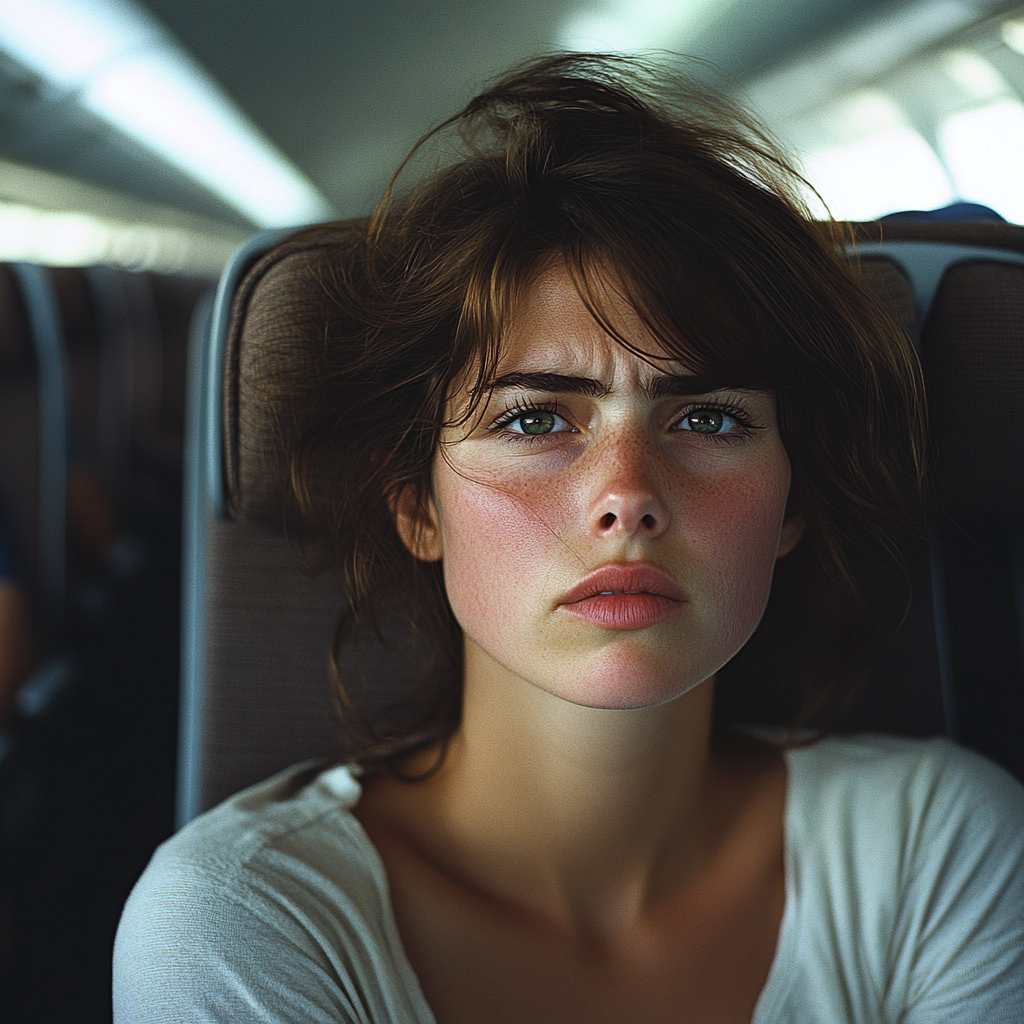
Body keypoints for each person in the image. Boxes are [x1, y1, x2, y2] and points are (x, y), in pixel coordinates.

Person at [113, 54, 1024, 1023]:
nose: (625, 497)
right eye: (535, 420)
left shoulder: (940, 850)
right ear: (415, 503)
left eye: (707, 420)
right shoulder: (241, 919)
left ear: (791, 501)